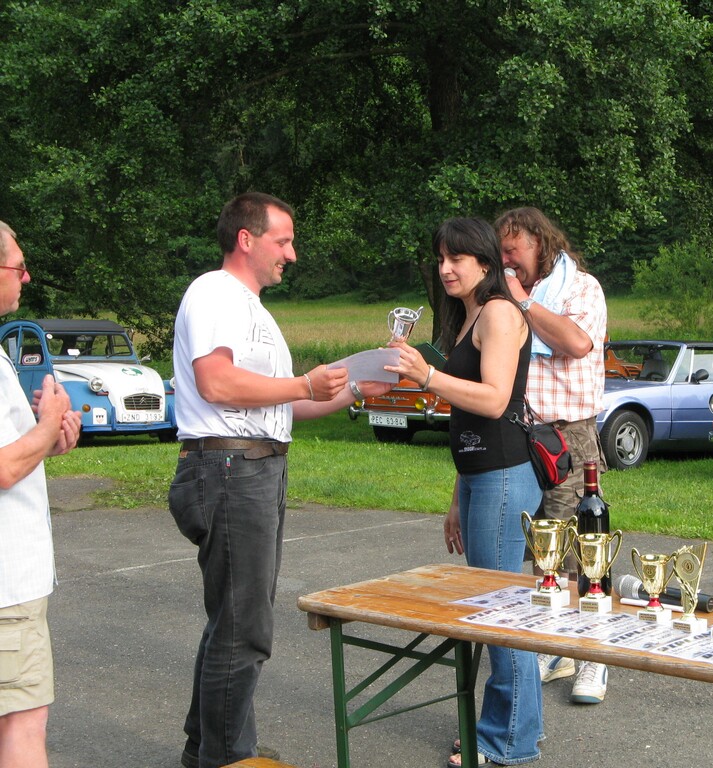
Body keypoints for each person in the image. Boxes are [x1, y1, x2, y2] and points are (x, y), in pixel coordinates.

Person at [170, 193, 392, 768]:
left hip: (251, 467)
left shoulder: (251, 309)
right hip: (230, 469)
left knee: (233, 622)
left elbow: (287, 406)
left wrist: (357, 388)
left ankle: (209, 747)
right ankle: (228, 758)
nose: (291, 254)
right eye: (283, 241)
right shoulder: (215, 293)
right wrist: (301, 384)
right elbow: (216, 383)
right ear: (246, 239)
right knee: (244, 630)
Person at [387, 217, 543, 768]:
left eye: (456, 258)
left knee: (499, 612)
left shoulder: (499, 312)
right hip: (479, 476)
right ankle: (509, 729)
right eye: (440, 258)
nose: (446, 268)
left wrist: (426, 376)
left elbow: (495, 400)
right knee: (493, 608)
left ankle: (509, 741)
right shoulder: (469, 316)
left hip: (503, 474)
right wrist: (457, 499)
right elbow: (465, 416)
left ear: (484, 261)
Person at [493, 207, 609, 704]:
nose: (505, 260)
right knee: (541, 554)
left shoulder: (581, 288)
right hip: (520, 435)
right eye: (500, 252)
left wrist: (521, 302)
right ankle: (554, 648)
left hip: (569, 435)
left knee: (583, 553)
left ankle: (593, 656)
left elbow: (577, 342)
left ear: (540, 243)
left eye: (512, 249)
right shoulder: (504, 293)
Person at [0, 220, 81, 768]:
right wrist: (49, 419)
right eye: (18, 266)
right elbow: (4, 468)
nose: (27, 277)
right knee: (22, 725)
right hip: (7, 587)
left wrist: (48, 438)